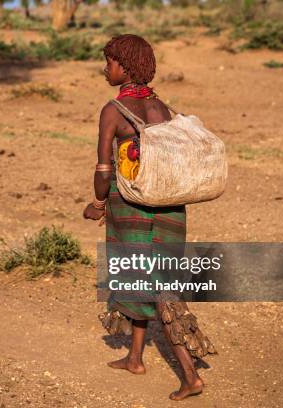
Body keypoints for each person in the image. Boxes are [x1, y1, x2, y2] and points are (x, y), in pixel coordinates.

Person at [83, 34, 216, 401]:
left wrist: (97, 202)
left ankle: (190, 376)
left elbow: (104, 167)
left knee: (158, 286)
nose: (105, 68)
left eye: (109, 62)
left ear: (125, 67)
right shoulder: (162, 108)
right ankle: (136, 357)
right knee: (148, 274)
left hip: (134, 209)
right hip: (171, 210)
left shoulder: (113, 109)